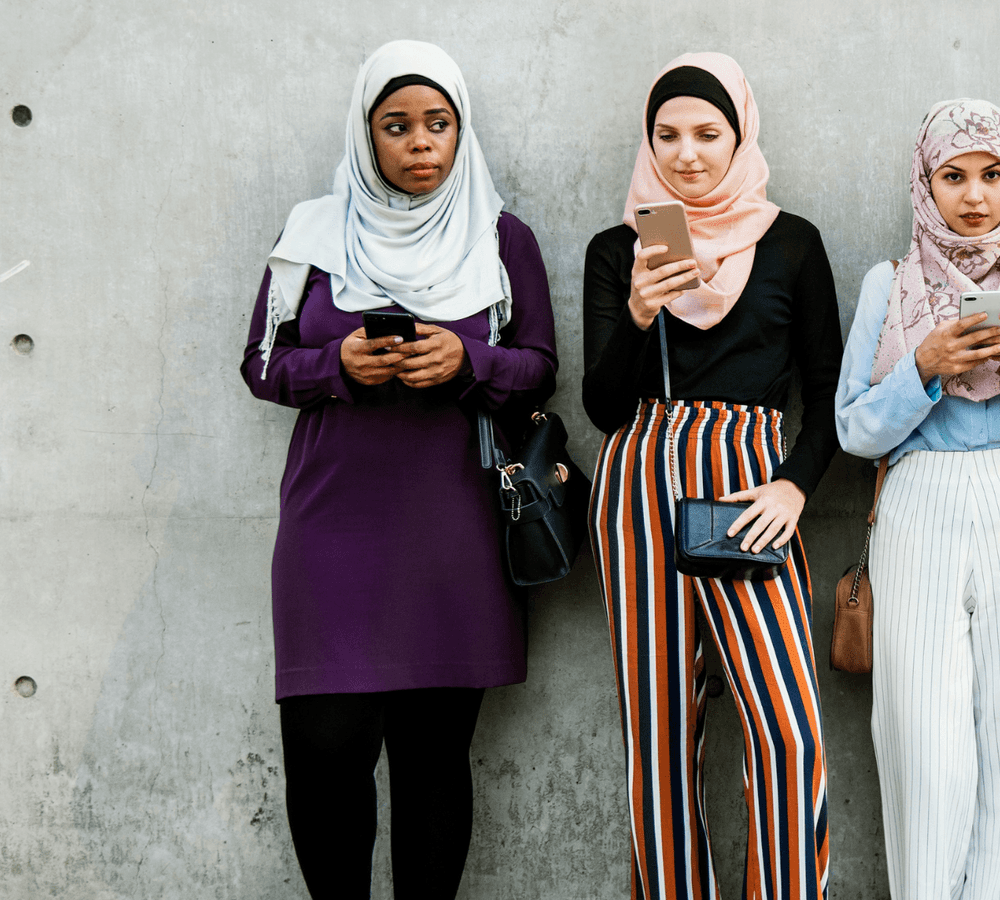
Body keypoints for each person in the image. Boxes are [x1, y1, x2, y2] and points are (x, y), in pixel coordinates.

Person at [239, 40, 556, 899]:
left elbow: (540, 366)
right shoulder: (310, 233)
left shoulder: (499, 237)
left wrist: (467, 362)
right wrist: (338, 363)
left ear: (461, 133)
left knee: (432, 760)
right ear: (366, 135)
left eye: (439, 124)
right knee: (324, 754)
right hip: (331, 528)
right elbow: (261, 366)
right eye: (397, 126)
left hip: (452, 529)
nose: (422, 143)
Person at [581, 52, 841, 900]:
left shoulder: (792, 242)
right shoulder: (618, 248)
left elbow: (829, 392)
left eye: (707, 133)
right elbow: (602, 406)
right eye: (667, 135)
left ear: (740, 135)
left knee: (788, 735)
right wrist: (639, 313)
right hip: (641, 486)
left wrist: (796, 485)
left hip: (751, 491)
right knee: (660, 741)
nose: (687, 154)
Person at [834, 99, 1000, 899]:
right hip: (919, 505)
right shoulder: (888, 284)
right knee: (922, 738)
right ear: (925, 183)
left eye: (993, 174)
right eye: (953, 175)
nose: (975, 194)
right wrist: (922, 367)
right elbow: (855, 429)